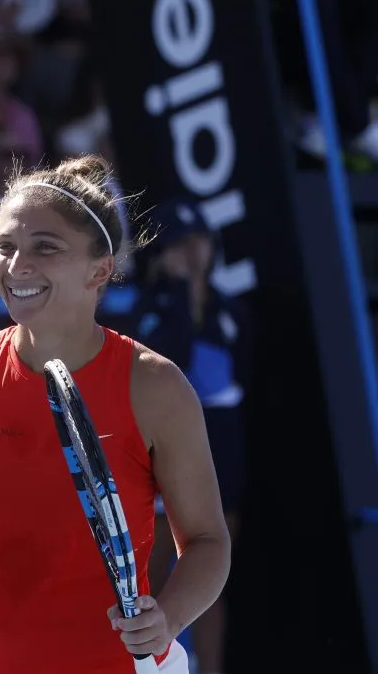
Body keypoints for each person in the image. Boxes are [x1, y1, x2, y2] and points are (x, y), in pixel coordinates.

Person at [0, 155, 231, 674]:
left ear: (101, 270)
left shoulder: (155, 386)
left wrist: (171, 616)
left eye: (46, 248)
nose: (17, 265)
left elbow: (207, 541)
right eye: (5, 246)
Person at [134, 199, 251, 674]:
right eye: (178, 244)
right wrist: (182, 292)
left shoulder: (233, 312)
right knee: (155, 580)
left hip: (224, 451)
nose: (191, 252)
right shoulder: (150, 309)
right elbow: (171, 356)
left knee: (210, 577)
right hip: (166, 453)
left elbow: (247, 373)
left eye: (198, 240)